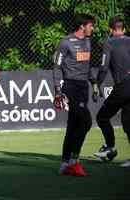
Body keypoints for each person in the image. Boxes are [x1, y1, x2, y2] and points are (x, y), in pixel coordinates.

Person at [52, 13, 97, 176]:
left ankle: (64, 164)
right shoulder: (65, 43)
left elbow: (88, 64)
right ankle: (74, 160)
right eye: (91, 25)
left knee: (73, 125)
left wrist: (94, 82)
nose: (92, 28)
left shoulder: (87, 41)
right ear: (82, 26)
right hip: (70, 86)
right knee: (86, 121)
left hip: (84, 86)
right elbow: (56, 67)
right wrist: (58, 90)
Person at [93, 16, 130, 167]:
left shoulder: (109, 42)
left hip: (123, 86)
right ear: (124, 29)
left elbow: (103, 66)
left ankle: (110, 148)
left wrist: (97, 84)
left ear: (110, 30)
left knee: (102, 117)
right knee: (128, 123)